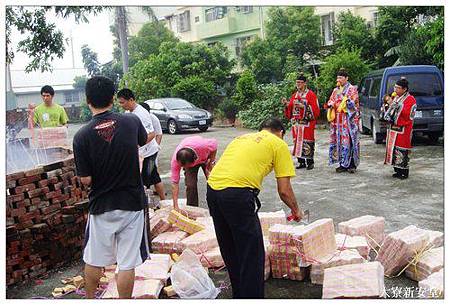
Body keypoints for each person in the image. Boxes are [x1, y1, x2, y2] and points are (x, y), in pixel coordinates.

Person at [206, 118, 304, 298]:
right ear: (280, 132)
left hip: (212, 191)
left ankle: (239, 296)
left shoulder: (242, 138)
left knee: (231, 249)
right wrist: (296, 210)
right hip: (237, 195)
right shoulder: (279, 144)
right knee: (252, 254)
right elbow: (284, 190)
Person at [73, 77, 151, 299]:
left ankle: (90, 300)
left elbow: (86, 179)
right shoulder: (131, 122)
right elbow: (141, 142)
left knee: (93, 259)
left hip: (101, 206)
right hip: (132, 203)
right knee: (127, 262)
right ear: (113, 98)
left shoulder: (81, 136)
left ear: (88, 100)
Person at [117, 89, 162, 201]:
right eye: (120, 102)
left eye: (122, 102)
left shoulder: (142, 113)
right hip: (140, 153)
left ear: (131, 100)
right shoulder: (128, 113)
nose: (121, 105)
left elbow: (152, 134)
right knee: (154, 177)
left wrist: (137, 145)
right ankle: (162, 201)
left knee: (146, 179)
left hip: (149, 153)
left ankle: (147, 205)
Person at [324, 68, 360, 173]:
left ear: (346, 78)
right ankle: (342, 164)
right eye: (338, 77)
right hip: (337, 121)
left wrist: (346, 103)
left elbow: (355, 103)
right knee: (339, 141)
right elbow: (331, 100)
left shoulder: (352, 89)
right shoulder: (336, 90)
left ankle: (351, 164)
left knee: (349, 141)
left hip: (348, 120)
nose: (339, 79)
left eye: (341, 77)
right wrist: (331, 104)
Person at [281, 74, 320, 170]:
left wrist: (304, 106)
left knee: (307, 141)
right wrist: (286, 104)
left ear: (305, 83)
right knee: (298, 142)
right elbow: (290, 107)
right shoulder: (295, 95)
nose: (298, 84)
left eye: (300, 82)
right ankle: (301, 162)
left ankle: (310, 162)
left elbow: (316, 109)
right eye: (297, 82)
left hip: (307, 123)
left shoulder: (311, 95)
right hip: (297, 123)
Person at [381, 78, 417, 179]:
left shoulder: (411, 99)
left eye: (398, 88)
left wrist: (397, 106)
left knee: (402, 149)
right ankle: (397, 170)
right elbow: (391, 110)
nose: (395, 89)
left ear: (404, 89)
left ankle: (404, 172)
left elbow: (409, 114)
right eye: (395, 87)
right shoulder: (396, 97)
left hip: (404, 129)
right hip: (394, 128)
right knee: (394, 148)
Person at [171, 136, 217, 209]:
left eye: (187, 166)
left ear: (195, 160)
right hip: (190, 158)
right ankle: (192, 209)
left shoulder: (203, 145)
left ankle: (216, 207)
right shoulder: (176, 161)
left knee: (213, 181)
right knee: (190, 185)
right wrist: (175, 206)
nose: (184, 168)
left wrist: (211, 161)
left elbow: (214, 144)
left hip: (204, 156)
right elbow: (175, 184)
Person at [140, 102, 166, 200]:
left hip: (151, 153)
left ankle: (152, 201)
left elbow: (158, 134)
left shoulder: (153, 118)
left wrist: (157, 147)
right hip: (141, 154)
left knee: (148, 176)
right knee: (154, 175)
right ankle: (159, 200)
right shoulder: (136, 116)